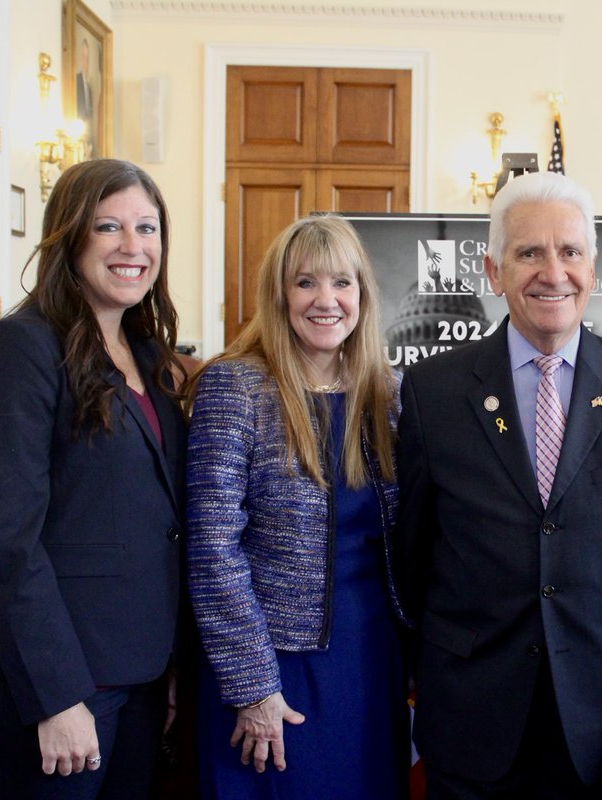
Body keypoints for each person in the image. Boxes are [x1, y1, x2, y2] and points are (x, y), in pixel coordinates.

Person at [396, 171, 602, 798]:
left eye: (570, 251)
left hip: (601, 720)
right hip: (469, 713)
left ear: (593, 265)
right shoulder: (433, 392)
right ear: (493, 270)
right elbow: (411, 555)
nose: (552, 271)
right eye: (529, 251)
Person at [0, 158, 186, 798]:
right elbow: (5, 542)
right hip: (54, 681)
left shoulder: (149, 357)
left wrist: (165, 668)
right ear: (69, 235)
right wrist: (55, 698)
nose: (133, 247)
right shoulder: (17, 350)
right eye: (109, 227)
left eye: (148, 227)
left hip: (132, 671)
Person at [185, 214, 409, 798]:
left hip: (369, 657)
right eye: (305, 282)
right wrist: (252, 685)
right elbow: (212, 548)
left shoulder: (387, 394)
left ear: (362, 293)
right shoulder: (235, 387)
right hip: (272, 660)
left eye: (342, 282)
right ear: (279, 296)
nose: (326, 300)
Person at [75, 37, 95, 159]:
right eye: (83, 57)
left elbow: (89, 117)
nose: (85, 62)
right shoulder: (75, 83)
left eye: (87, 58)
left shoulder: (88, 87)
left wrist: (89, 144)